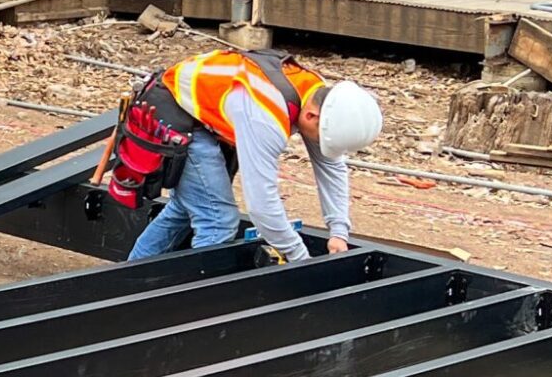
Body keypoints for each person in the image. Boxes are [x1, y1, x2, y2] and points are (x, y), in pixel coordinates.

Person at [119, 48, 382, 263]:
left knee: (188, 208)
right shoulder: (265, 115)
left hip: (201, 113)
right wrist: (301, 259)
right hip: (173, 111)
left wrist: (338, 232)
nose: (320, 147)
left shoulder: (317, 94)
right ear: (312, 117)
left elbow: (331, 166)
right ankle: (195, 310)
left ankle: (127, 280)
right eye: (321, 139)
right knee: (217, 220)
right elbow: (262, 206)